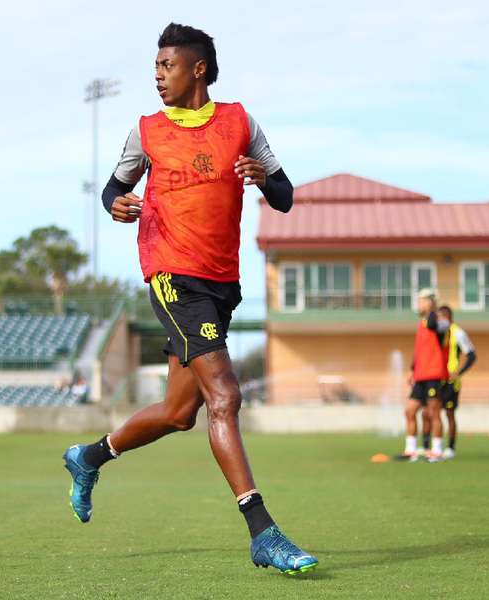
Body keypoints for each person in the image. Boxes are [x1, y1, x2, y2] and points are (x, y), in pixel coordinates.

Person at [61, 23, 316, 575]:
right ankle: (263, 533)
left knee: (180, 413)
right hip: (172, 273)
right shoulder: (146, 131)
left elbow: (286, 194)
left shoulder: (240, 123)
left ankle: (88, 456)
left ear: (197, 69)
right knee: (224, 396)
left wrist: (259, 178)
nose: (157, 77)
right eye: (155, 67)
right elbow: (112, 187)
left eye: (166, 66)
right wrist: (117, 204)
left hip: (221, 279)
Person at [400, 289, 448, 462]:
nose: (418, 304)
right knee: (409, 411)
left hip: (434, 374)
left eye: (421, 301)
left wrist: (433, 310)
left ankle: (437, 451)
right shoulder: (421, 324)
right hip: (420, 376)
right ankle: (410, 450)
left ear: (430, 302)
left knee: (434, 413)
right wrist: (412, 370)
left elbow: (437, 326)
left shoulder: (439, 321)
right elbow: (419, 351)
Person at [436, 305, 476, 459]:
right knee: (430, 412)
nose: (437, 321)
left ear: (447, 317)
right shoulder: (436, 333)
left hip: (451, 381)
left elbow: (472, 356)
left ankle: (450, 448)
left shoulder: (458, 333)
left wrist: (458, 373)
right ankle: (431, 446)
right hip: (436, 378)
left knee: (449, 414)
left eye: (440, 318)